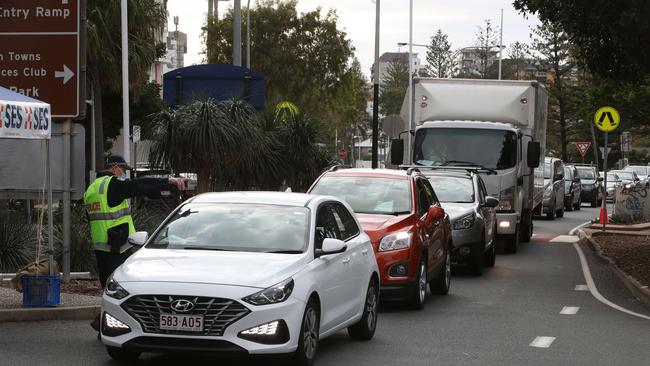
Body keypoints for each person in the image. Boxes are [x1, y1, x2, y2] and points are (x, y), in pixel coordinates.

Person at [85, 155, 184, 331]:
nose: (124, 174)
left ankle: (103, 322)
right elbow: (139, 185)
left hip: (101, 246)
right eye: (123, 170)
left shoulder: (92, 189)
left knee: (110, 288)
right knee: (124, 288)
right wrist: (168, 181)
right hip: (117, 246)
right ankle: (113, 326)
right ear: (115, 168)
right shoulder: (112, 185)